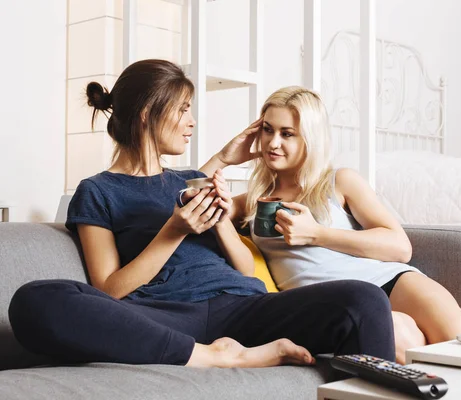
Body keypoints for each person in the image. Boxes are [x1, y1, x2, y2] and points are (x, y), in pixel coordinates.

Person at [8, 60, 397, 368]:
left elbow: (246, 271)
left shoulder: (192, 179)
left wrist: (224, 219)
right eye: (183, 110)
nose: (192, 121)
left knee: (363, 300)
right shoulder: (97, 191)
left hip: (244, 307)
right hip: (164, 316)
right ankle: (211, 357)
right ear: (147, 113)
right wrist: (173, 231)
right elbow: (109, 290)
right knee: (35, 301)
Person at [226, 86, 461, 364]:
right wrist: (225, 158)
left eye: (287, 134)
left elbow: (399, 247)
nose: (273, 143)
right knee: (405, 342)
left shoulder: (340, 182)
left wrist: (317, 234)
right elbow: (178, 200)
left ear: (311, 139)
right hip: (342, 303)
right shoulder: (252, 202)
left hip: (392, 281)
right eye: (267, 129)